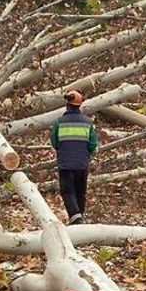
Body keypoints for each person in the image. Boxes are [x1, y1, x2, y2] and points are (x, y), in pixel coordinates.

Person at [50, 90, 98, 225]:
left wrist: (63, 150)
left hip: (65, 163)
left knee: (67, 191)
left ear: (67, 104)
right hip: (82, 163)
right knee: (80, 192)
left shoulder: (59, 122)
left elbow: (54, 141)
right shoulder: (88, 123)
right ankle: (79, 217)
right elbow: (92, 144)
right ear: (80, 105)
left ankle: (76, 217)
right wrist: (85, 154)